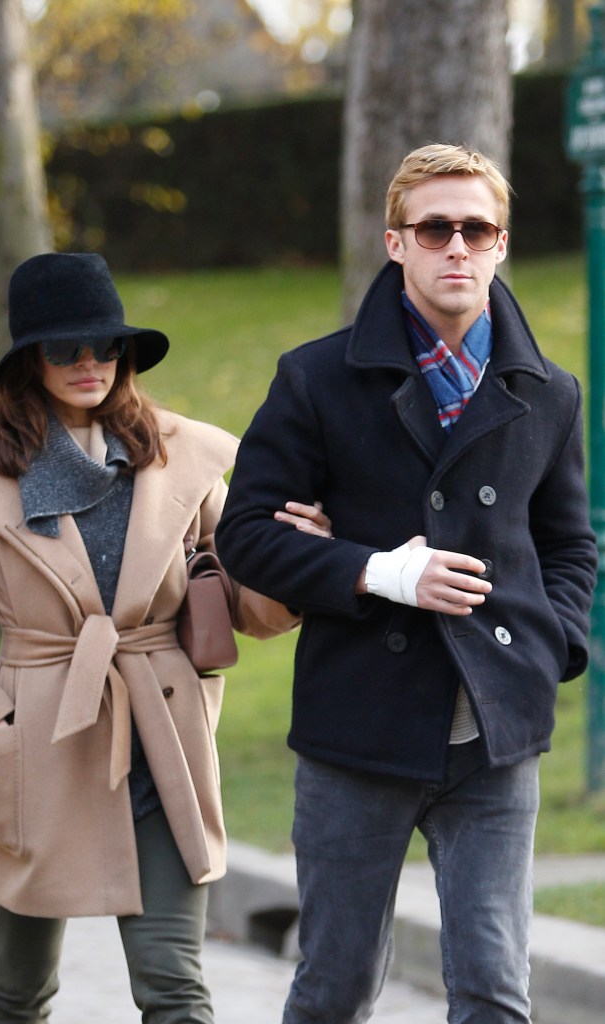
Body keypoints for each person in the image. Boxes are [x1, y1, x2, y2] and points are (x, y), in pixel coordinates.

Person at [215, 144, 597, 1024]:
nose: (456, 246)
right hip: (359, 732)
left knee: (496, 993)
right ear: (397, 243)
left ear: (501, 244)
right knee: (337, 989)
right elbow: (245, 537)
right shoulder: (315, 377)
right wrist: (382, 571)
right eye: (435, 228)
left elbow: (569, 545)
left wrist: (550, 648)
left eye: (477, 229)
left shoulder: (549, 393)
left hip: (494, 738)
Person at [0, 251, 330, 1023]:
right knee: (18, 992)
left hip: (160, 736)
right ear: (29, 360)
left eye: (105, 345)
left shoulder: (179, 455)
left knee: (173, 986)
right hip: (36, 744)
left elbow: (242, 598)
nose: (88, 363)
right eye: (65, 348)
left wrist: (298, 558)